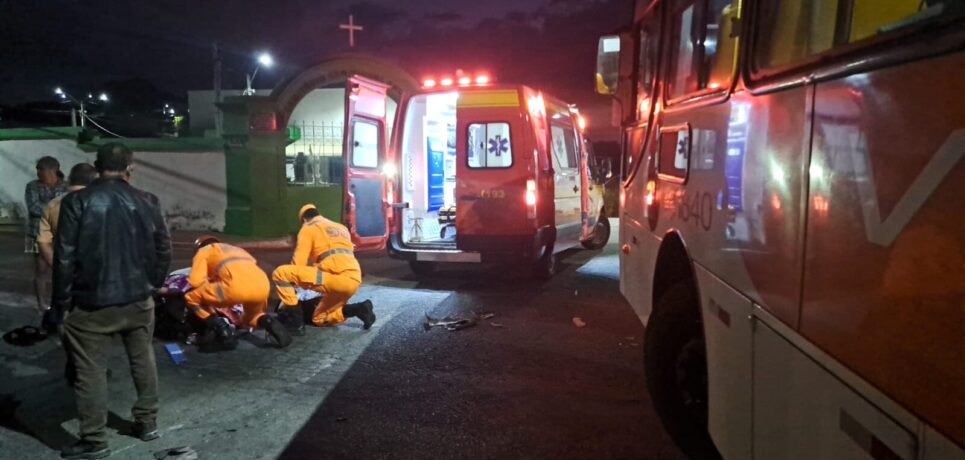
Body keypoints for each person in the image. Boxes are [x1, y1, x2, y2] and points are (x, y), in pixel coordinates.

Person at [52, 143, 171, 460]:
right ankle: (147, 423)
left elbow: (64, 258)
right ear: (130, 167)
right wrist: (152, 285)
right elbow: (164, 249)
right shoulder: (148, 201)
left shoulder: (77, 201)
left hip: (92, 302)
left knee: (90, 370)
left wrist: (60, 305)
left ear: (96, 165)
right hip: (138, 300)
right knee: (143, 359)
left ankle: (94, 440)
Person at [271, 204, 375, 330]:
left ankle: (295, 321)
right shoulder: (340, 227)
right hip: (353, 280)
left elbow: (299, 261)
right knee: (319, 318)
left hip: (335, 278)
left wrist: (294, 286)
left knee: (281, 273)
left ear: (304, 219)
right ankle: (359, 309)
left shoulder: (308, 227)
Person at [183, 235, 291, 348]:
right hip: (262, 286)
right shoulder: (235, 249)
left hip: (234, 288)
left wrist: (208, 291)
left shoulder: (204, 251)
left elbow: (195, 281)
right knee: (252, 317)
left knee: (192, 297)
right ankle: (267, 321)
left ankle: (221, 328)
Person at [24, 156, 67, 315]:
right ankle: (41, 305)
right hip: (37, 232)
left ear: (51, 170)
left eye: (40, 169)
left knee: (61, 270)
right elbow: (34, 207)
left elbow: (68, 207)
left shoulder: (65, 187)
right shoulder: (32, 186)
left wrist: (49, 209)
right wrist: (56, 209)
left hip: (61, 233)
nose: (38, 173)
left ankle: (58, 302)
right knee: (41, 270)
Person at [36, 163, 97, 267]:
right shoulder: (101, 203)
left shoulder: (53, 204)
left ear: (70, 179)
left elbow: (43, 242)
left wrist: (58, 266)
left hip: (65, 264)